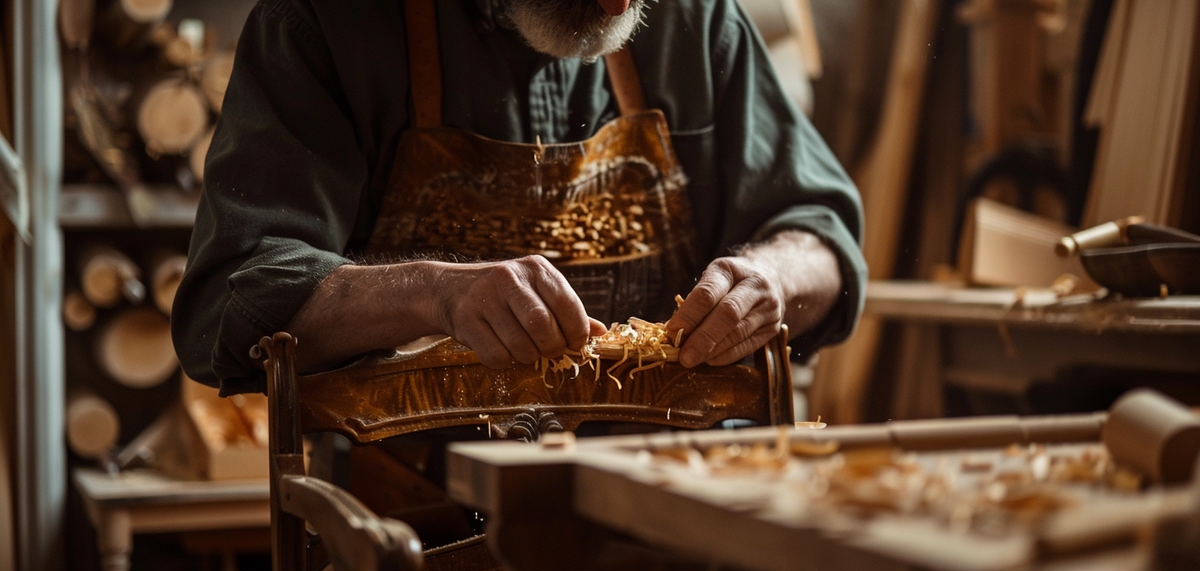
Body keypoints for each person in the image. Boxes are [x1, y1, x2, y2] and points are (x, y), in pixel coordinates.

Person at [172, 0, 868, 395]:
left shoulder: (694, 21)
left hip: (670, 503)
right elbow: (226, 302)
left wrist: (773, 277)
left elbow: (820, 233)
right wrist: (432, 294)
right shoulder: (327, 24)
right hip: (420, 527)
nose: (618, 4)